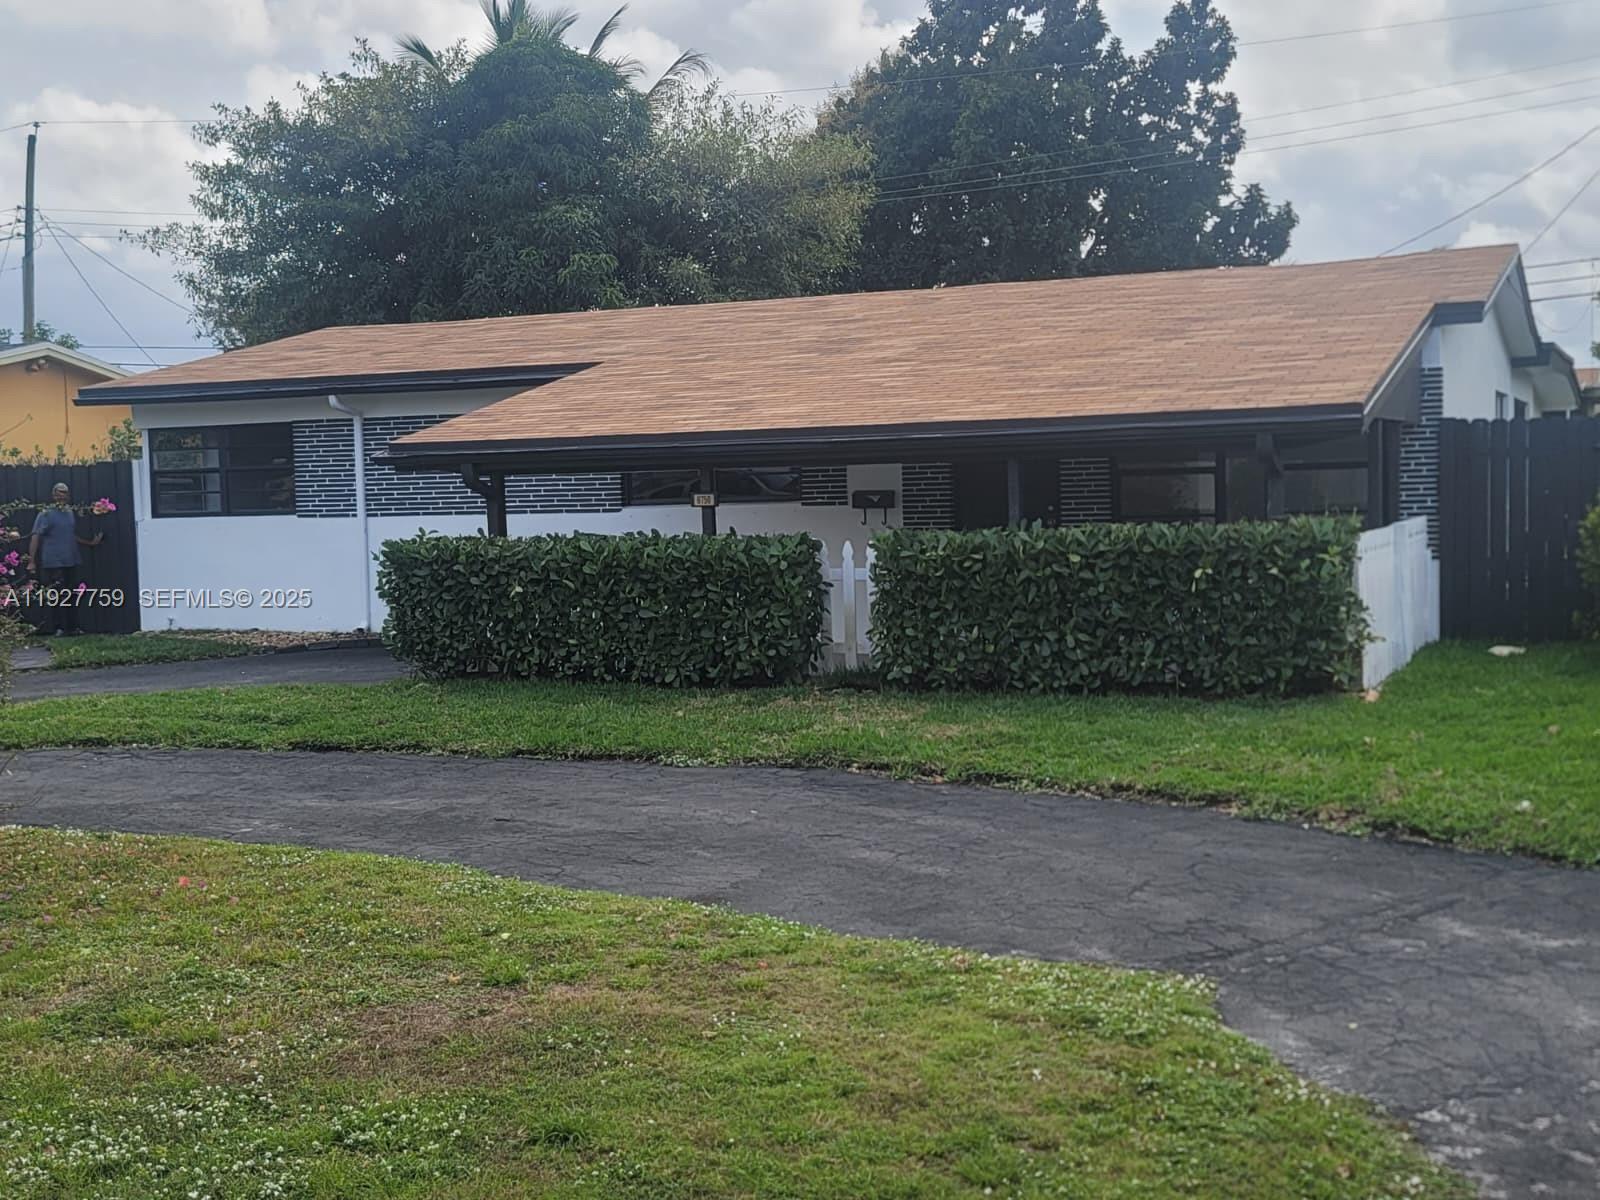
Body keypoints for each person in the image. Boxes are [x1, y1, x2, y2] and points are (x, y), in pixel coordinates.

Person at [27, 482, 103, 636]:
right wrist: (31, 561)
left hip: (71, 559)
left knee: (72, 594)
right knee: (57, 594)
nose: (61, 496)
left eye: (64, 492)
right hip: (54, 561)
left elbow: (69, 535)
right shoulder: (46, 513)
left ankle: (73, 628)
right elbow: (35, 536)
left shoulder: (69, 512)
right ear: (53, 495)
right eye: (59, 493)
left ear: (68, 495)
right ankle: (59, 628)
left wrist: (90, 543)